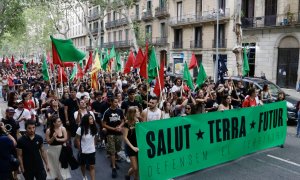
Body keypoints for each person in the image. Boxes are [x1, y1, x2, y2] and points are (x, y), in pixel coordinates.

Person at [102, 97, 125, 178]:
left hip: (119, 133)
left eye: (117, 102)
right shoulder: (107, 112)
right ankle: (114, 168)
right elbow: (104, 124)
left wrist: (120, 126)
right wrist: (113, 128)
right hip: (110, 133)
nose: (117, 103)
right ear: (111, 102)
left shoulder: (119, 111)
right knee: (112, 150)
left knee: (117, 149)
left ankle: (113, 161)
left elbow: (123, 120)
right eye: (115, 102)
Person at [45, 115, 71, 179]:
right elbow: (48, 142)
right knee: (54, 168)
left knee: (61, 167)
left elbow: (65, 138)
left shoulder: (63, 128)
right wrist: (53, 138)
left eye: (60, 121)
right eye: (58, 121)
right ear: (54, 123)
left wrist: (58, 139)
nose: (60, 122)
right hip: (52, 151)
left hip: (61, 150)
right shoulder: (48, 131)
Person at [75, 114, 97, 180]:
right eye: (90, 119)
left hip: (92, 151)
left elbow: (95, 137)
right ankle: (84, 176)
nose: (92, 120)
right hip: (83, 151)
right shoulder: (80, 128)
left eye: (92, 118)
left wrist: (94, 146)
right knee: (83, 165)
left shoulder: (94, 127)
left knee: (92, 166)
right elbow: (77, 139)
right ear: (86, 120)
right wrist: (80, 149)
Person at [123, 107, 139, 180]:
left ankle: (136, 178)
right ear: (133, 113)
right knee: (135, 167)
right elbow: (125, 137)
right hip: (130, 147)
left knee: (138, 167)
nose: (139, 112)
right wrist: (132, 147)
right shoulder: (127, 123)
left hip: (138, 146)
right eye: (137, 111)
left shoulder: (137, 121)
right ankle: (128, 175)